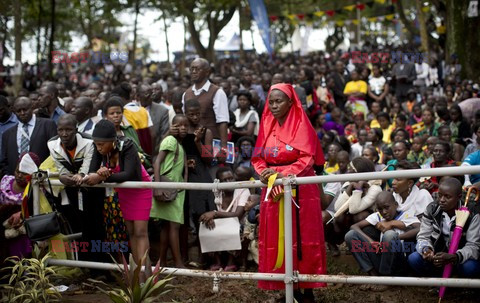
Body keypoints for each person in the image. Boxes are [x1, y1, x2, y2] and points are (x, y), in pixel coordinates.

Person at [252, 83, 326, 300]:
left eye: (279, 101)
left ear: (290, 102)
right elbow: (257, 157)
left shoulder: (302, 122)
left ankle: (308, 288)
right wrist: (263, 171)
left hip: (300, 184)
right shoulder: (266, 122)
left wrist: (287, 174)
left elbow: (307, 157)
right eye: (271, 102)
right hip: (273, 186)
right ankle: (285, 287)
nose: (273, 106)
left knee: (303, 235)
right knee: (278, 235)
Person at [85, 120, 152, 266]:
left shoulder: (127, 146)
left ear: (112, 141)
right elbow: (92, 171)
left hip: (140, 189)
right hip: (124, 192)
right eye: (96, 144)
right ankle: (136, 271)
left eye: (102, 144)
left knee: (141, 232)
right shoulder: (98, 147)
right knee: (132, 232)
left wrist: (104, 175)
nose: (99, 148)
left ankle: (145, 274)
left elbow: (128, 174)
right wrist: (93, 175)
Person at [408, 178, 480, 278]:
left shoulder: (472, 213)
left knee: (470, 267)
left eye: (447, 197)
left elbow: (473, 246)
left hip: (459, 259)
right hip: (437, 258)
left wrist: (455, 257)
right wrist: (426, 249)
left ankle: (457, 282)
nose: (441, 200)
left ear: (458, 197)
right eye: (440, 195)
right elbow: (423, 236)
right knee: (414, 258)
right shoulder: (432, 209)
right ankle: (438, 281)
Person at [345, 191, 420, 281]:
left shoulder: (406, 215)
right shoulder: (378, 216)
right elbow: (354, 227)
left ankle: (385, 280)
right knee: (350, 236)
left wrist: (396, 237)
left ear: (395, 205)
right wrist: (370, 241)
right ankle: (374, 276)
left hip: (399, 261)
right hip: (383, 259)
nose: (384, 212)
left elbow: (419, 228)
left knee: (389, 235)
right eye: (380, 209)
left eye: (387, 207)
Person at [150, 115, 188, 268]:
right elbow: (157, 162)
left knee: (166, 226)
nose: (183, 128)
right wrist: (158, 186)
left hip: (175, 189)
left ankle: (163, 261)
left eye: (185, 126)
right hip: (169, 188)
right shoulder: (170, 141)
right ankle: (178, 263)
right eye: (179, 125)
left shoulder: (178, 144)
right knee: (174, 226)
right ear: (173, 126)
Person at [47, 114, 94, 233]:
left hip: (91, 187)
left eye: (68, 130)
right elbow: (60, 167)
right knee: (75, 223)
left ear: (76, 130)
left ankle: (94, 250)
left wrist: (81, 175)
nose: (64, 134)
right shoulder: (52, 144)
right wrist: (63, 176)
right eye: (60, 130)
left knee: (92, 223)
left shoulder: (89, 142)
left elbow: (87, 165)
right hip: (70, 188)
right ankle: (79, 250)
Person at [199, 167, 249, 271]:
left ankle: (231, 262)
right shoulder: (215, 192)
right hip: (220, 223)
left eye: (231, 178)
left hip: (238, 223)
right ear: (218, 182)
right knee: (207, 224)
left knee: (236, 226)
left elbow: (237, 215)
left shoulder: (242, 190)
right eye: (224, 180)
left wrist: (215, 214)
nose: (229, 182)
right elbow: (206, 214)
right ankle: (217, 261)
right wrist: (209, 218)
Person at [183, 58, 229, 159]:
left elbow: (222, 121)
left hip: (212, 143)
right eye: (192, 69)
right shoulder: (187, 93)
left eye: (197, 69)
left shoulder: (217, 92)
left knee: (212, 173)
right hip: (191, 144)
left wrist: (224, 148)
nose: (194, 72)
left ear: (207, 72)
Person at [0, 153, 41, 264]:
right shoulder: (6, 181)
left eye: (24, 173)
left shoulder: (36, 188)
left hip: (23, 227)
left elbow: (37, 209)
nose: (19, 176)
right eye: (17, 172)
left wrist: (21, 214)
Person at [0, 97, 57, 177]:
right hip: (16, 181)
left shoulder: (47, 125)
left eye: (25, 109)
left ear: (32, 107)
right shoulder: (7, 134)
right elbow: (4, 161)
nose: (22, 113)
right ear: (14, 111)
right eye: (18, 111)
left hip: (42, 179)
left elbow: (55, 153)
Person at [103, 97, 151, 169]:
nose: (116, 116)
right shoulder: (103, 133)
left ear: (122, 114)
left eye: (118, 113)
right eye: (112, 113)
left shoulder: (129, 130)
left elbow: (140, 151)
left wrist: (142, 159)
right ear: (106, 116)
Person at [137, 84, 170, 153]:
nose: (150, 96)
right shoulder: (131, 110)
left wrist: (155, 154)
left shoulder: (162, 111)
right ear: (138, 96)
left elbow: (164, 135)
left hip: (155, 153)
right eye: (146, 93)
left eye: (151, 93)